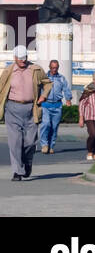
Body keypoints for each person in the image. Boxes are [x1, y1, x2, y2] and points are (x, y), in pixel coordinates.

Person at [0, 45, 52, 181]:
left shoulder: (35, 69)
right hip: (12, 109)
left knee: (30, 142)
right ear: (15, 57)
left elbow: (48, 83)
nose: (23, 61)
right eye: (20, 59)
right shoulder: (8, 71)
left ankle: (27, 163)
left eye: (24, 58)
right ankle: (17, 171)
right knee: (15, 142)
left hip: (31, 109)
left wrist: (44, 96)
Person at [38, 58, 73, 154]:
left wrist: (68, 99)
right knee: (46, 124)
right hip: (46, 104)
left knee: (54, 126)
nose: (54, 69)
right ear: (49, 67)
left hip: (57, 105)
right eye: (52, 68)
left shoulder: (61, 78)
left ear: (58, 68)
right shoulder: (44, 77)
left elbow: (66, 89)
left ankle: (51, 145)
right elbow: (38, 88)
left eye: (56, 68)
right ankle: (44, 144)